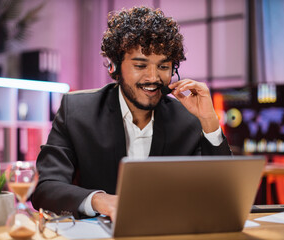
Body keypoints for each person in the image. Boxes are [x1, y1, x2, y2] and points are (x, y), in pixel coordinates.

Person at [31, 6, 232, 221]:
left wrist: (209, 122)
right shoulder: (77, 110)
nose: (153, 77)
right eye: (140, 65)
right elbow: (46, 188)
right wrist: (101, 201)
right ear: (114, 67)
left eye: (163, 66)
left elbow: (221, 194)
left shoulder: (187, 119)